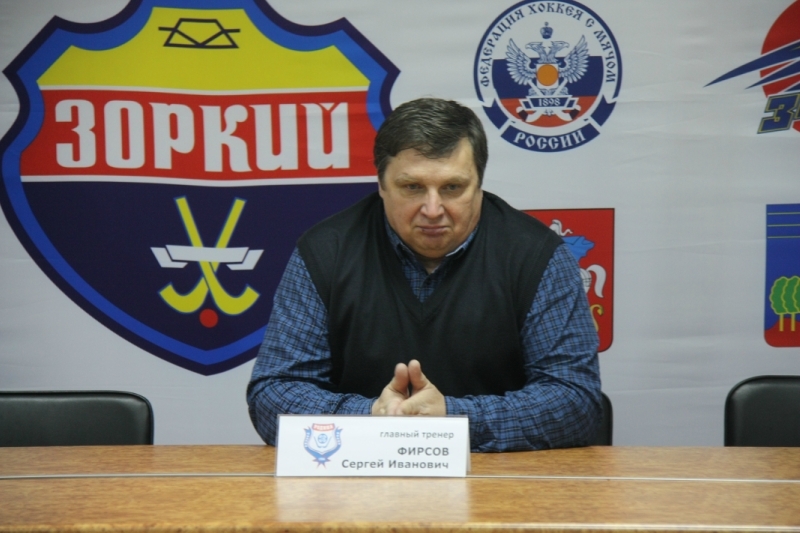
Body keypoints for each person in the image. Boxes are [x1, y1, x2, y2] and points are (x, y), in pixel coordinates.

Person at [247, 97, 601, 452]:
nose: (433, 209)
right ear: (381, 184)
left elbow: (575, 401)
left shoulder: (537, 255)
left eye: (452, 188)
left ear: (479, 184)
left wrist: (452, 418)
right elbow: (273, 393)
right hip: (357, 473)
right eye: (412, 187)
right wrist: (373, 415)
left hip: (497, 479)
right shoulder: (325, 252)